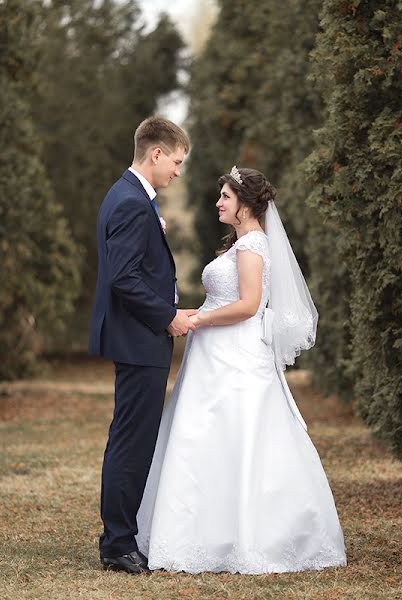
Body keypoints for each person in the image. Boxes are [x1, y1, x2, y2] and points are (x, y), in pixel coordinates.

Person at [135, 166, 347, 574]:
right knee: (206, 437)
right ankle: (201, 534)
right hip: (215, 353)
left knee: (239, 434)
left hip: (234, 354)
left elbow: (249, 306)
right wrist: (197, 316)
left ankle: (246, 536)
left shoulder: (253, 246)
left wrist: (197, 320)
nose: (218, 203)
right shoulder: (243, 244)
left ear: (246, 205)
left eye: (226, 197)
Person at [88, 116, 199, 575]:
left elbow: (133, 263)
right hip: (140, 339)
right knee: (132, 443)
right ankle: (117, 543)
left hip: (136, 339)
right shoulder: (134, 203)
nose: (177, 171)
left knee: (130, 439)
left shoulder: (130, 197)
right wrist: (167, 316)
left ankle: (119, 536)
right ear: (155, 154)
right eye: (175, 161)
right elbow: (124, 277)